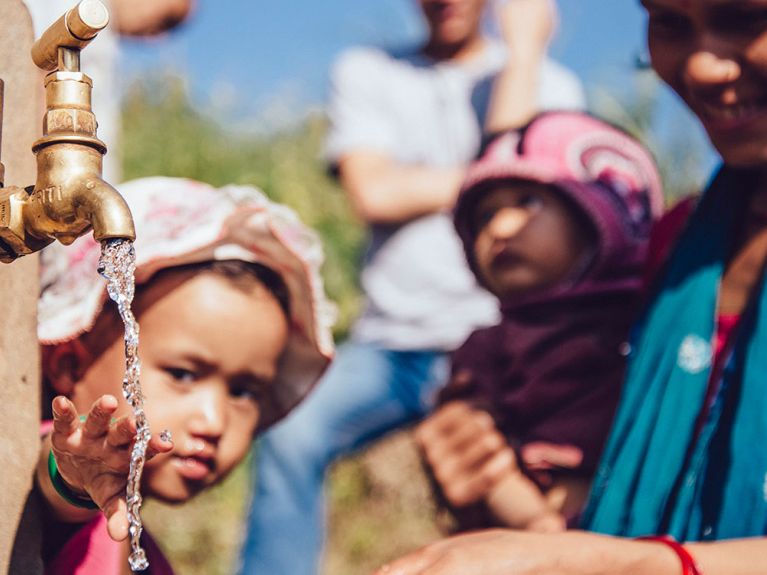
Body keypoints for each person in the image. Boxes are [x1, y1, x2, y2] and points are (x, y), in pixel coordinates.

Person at [374, 0, 767, 573]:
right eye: (671, 24)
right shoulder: (673, 256)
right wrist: (478, 461)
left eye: (745, 17)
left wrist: (625, 565)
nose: (703, 67)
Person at [239, 1, 585, 572]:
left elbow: (540, 203)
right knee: (291, 429)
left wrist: (524, 54)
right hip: (391, 344)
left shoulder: (549, 82)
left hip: (503, 345)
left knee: (518, 489)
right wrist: (489, 178)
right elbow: (373, 193)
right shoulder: (368, 70)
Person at [34, 177, 334, 573]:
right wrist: (74, 481)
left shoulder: (148, 557)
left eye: (244, 392)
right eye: (183, 374)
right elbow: (55, 477)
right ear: (70, 365)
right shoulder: (65, 480)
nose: (214, 421)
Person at [417, 110, 664, 533]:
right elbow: (482, 461)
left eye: (528, 202)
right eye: (484, 217)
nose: (501, 228)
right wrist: (539, 526)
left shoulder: (658, 324)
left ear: (603, 214)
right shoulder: (490, 346)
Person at [23, 0, 193, 183]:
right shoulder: (81, 11)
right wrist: (40, 179)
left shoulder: (106, 32)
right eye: (166, 21)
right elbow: (40, 70)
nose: (157, 39)